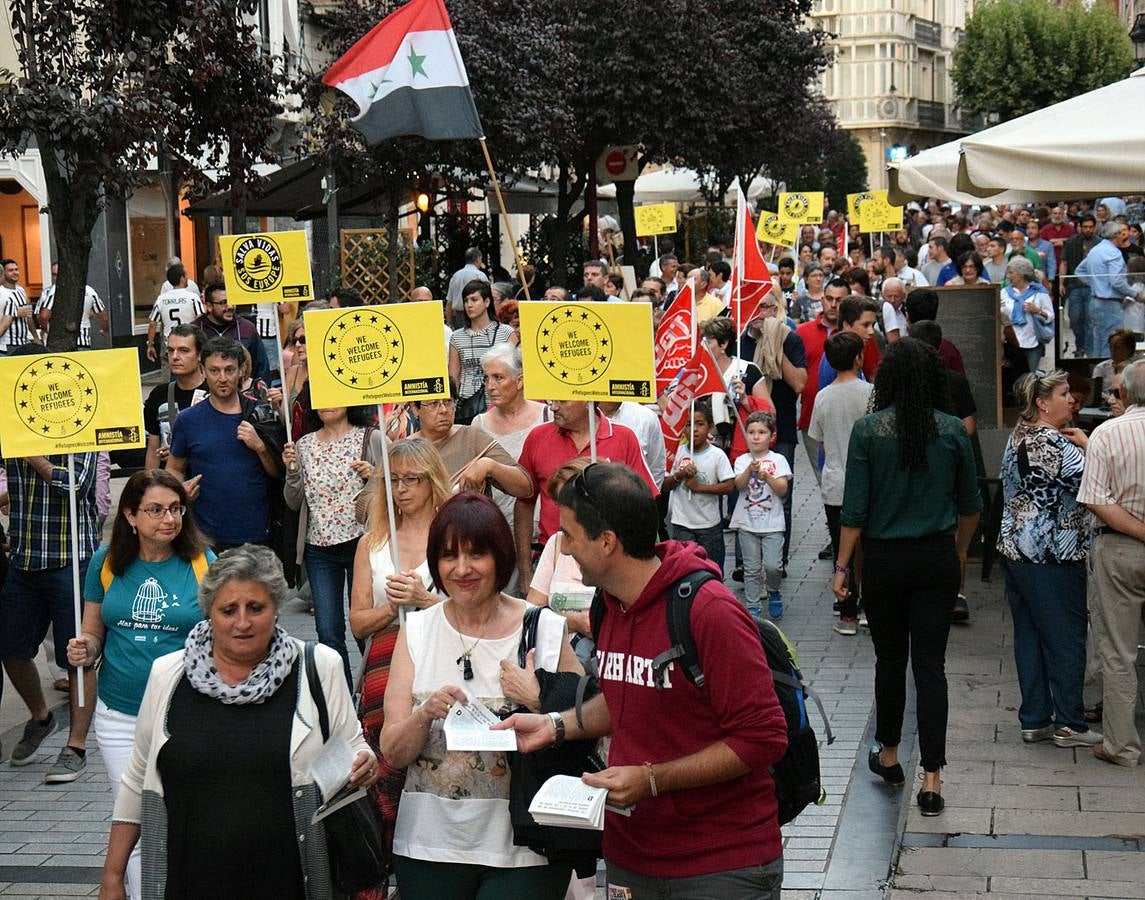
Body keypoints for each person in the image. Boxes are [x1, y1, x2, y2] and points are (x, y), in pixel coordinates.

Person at [495, 462, 788, 899]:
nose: (566, 550)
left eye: (571, 536)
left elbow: (763, 737)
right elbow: (622, 697)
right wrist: (557, 725)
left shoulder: (710, 611)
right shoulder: (607, 607)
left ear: (608, 542)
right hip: (631, 859)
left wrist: (652, 779)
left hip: (720, 864)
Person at [100, 545, 379, 900]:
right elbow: (137, 779)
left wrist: (364, 762)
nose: (242, 622)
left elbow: (352, 747)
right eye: (229, 610)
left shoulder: (317, 668)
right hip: (187, 882)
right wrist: (112, 875)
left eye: (256, 608)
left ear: (276, 609)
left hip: (290, 882)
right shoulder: (168, 675)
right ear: (209, 613)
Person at [379, 493, 582, 899]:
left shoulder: (542, 628)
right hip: (429, 846)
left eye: (476, 554)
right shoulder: (416, 631)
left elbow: (590, 720)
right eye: (449, 556)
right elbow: (393, 752)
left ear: (501, 557)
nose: (462, 569)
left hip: (527, 846)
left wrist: (540, 698)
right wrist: (424, 716)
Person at [832, 339, 982, 816]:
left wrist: (841, 568)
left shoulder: (868, 430)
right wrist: (958, 553)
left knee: (889, 661)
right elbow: (971, 505)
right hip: (936, 557)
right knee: (931, 667)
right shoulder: (954, 430)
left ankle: (891, 753)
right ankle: (933, 777)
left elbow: (854, 510)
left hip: (885, 562)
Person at [66, 471, 212, 900]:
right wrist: (85, 649)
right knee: (134, 818)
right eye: (155, 510)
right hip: (119, 713)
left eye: (176, 509)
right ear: (130, 514)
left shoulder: (205, 563)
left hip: (185, 713)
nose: (168, 519)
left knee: (182, 815)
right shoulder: (106, 562)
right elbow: (94, 633)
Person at [998, 371, 1097, 749]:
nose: (1070, 399)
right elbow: (1099, 481)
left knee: (1030, 633)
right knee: (1065, 636)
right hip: (1053, 552)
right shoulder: (1053, 442)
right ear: (1042, 403)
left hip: (1017, 548)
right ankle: (1070, 722)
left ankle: (1035, 718)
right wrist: (1089, 445)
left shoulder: (1020, 434)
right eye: (1063, 393)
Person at [0, 452, 99, 782]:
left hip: (71, 558)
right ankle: (41, 718)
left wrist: (31, 454)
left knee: (78, 655)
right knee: (11, 650)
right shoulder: (14, 421)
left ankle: (76, 746)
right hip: (24, 558)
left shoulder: (73, 425)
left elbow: (76, 485)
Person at [283, 404, 384, 685]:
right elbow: (293, 500)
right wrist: (291, 470)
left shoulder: (370, 437)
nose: (326, 404)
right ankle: (342, 701)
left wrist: (374, 475)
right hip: (318, 549)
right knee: (327, 631)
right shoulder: (303, 445)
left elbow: (398, 480)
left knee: (363, 628)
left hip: (361, 545)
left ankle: (373, 692)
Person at [1077, 359, 1145, 768]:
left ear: (1125, 393)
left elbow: (1097, 501)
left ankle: (1121, 745)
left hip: (1118, 551)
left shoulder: (1107, 433)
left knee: (1119, 653)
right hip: (1122, 546)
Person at [514, 400, 656, 588]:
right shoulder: (537, 437)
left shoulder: (624, 438)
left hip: (609, 565)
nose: (554, 407)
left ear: (587, 401)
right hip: (551, 562)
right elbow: (524, 502)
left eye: (562, 401)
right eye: (551, 401)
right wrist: (525, 569)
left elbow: (645, 506)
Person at [167, 338, 285, 551]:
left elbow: (280, 474)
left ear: (241, 370)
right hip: (206, 538)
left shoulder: (261, 414)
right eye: (214, 370)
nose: (222, 378)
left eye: (229, 370)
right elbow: (174, 468)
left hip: (258, 536)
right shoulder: (188, 420)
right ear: (203, 371)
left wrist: (260, 447)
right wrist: (179, 491)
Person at [808, 332, 873, 635]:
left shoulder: (823, 397)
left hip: (835, 485)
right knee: (869, 548)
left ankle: (846, 613)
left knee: (841, 548)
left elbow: (818, 442)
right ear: (859, 357)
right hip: (869, 484)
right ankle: (868, 609)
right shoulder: (871, 393)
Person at [402, 377, 532, 501]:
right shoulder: (404, 451)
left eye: (448, 402)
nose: (443, 410)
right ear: (415, 408)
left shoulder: (472, 438)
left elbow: (525, 488)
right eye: (434, 404)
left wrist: (489, 466)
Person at [524, 459, 596, 666]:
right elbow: (532, 609)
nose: (562, 510)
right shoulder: (556, 544)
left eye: (569, 501)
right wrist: (574, 622)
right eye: (559, 501)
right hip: (554, 657)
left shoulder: (611, 546)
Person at [470, 343, 549, 528]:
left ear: (519, 381)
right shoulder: (479, 425)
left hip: (545, 532)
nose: (490, 386)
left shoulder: (548, 417)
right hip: (499, 530)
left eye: (498, 378)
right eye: (486, 378)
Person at [731, 412, 792, 619]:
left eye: (762, 432)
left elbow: (783, 489)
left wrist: (767, 476)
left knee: (773, 566)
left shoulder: (779, 460)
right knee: (751, 568)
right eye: (751, 432)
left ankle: (774, 591)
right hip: (747, 524)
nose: (756, 437)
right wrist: (750, 470)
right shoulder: (741, 460)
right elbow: (738, 485)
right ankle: (753, 605)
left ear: (771, 436)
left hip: (773, 524)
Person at [664, 400, 734, 575]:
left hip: (709, 524)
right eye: (688, 424)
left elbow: (729, 485)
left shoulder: (717, 455)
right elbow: (664, 485)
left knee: (712, 569)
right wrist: (679, 475)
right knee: (684, 570)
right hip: (682, 524)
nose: (694, 429)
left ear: (710, 427)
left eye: (700, 424)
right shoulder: (677, 453)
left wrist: (699, 487)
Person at [1075, 221, 1145, 357]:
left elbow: (1079, 271)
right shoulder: (1114, 253)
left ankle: (1097, 374)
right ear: (1116, 235)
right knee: (1113, 344)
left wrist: (1096, 284)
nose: (1124, 236)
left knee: (1098, 342)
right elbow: (1117, 281)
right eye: (1122, 233)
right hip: (1110, 304)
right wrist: (1136, 295)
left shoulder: (1095, 250)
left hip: (1095, 301)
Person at [448, 280, 514, 425]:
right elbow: (454, 377)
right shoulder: (457, 337)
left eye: (474, 299)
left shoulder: (505, 333)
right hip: (466, 406)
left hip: (498, 403)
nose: (469, 305)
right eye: (466, 300)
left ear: (487, 302)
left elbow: (515, 371)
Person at [142, 325, 207, 470]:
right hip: (171, 482)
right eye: (171, 350)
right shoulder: (159, 395)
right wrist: (151, 487)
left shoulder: (213, 392)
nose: (175, 357)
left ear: (200, 355)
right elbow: (153, 450)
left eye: (184, 351)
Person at [192, 282, 270, 384]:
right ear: (209, 306)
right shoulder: (195, 330)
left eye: (233, 301)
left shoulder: (247, 329)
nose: (230, 306)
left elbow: (262, 368)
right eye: (223, 302)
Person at [1001, 256, 1054, 374]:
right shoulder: (1004, 293)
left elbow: (1050, 315)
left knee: (1031, 375)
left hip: (1032, 342)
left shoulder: (1039, 292)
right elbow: (1000, 314)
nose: (1008, 276)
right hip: (1012, 343)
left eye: (1011, 273)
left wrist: (1037, 310)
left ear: (1021, 274)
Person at [145, 263, 202, 364]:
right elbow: (201, 319)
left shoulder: (161, 299)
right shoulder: (193, 298)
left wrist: (150, 344)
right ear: (182, 278)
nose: (188, 277)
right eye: (186, 275)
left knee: (175, 371)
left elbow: (152, 323)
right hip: (189, 343)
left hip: (171, 345)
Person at [446, 247, 488, 328]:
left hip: (458, 317)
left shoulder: (455, 276)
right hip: (476, 315)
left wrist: (450, 323)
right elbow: (488, 297)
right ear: (477, 259)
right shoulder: (480, 275)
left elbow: (449, 303)